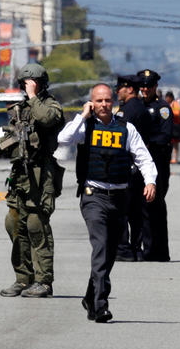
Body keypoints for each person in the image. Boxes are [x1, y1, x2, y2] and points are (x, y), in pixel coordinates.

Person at [57, 83, 157, 323]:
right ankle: (102, 305)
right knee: (101, 247)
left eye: (107, 101)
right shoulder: (85, 127)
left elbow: (143, 157)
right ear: (92, 102)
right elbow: (64, 138)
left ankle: (90, 297)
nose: (104, 105)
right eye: (99, 101)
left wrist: (150, 182)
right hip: (94, 196)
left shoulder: (126, 129)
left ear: (114, 102)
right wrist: (83, 114)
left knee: (110, 252)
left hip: (120, 198)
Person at [0, 63, 63, 299]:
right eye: (24, 84)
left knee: (36, 226)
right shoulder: (20, 109)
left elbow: (47, 119)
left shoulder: (50, 105)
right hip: (20, 175)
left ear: (42, 83)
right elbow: (12, 139)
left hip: (41, 176)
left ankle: (44, 281)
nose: (27, 87)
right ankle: (23, 278)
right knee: (15, 225)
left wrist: (33, 97)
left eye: (32, 83)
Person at [113, 74, 151, 262]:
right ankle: (136, 249)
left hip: (126, 166)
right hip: (139, 167)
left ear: (129, 89)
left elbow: (120, 138)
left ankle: (123, 248)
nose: (116, 92)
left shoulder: (125, 111)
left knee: (121, 209)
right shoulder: (143, 109)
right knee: (136, 211)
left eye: (119, 88)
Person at [138, 69, 173, 262]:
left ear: (156, 86)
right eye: (142, 85)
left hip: (157, 161)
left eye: (149, 86)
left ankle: (159, 251)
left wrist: (147, 143)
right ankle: (143, 247)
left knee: (156, 205)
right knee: (139, 206)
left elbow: (166, 136)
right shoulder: (135, 106)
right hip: (139, 164)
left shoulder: (162, 108)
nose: (145, 89)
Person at [167, 91, 180, 164]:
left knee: (175, 143)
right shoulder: (166, 104)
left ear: (171, 97)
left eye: (168, 97)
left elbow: (178, 113)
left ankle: (175, 157)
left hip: (176, 125)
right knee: (168, 142)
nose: (167, 99)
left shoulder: (175, 104)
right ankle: (168, 157)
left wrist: (170, 112)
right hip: (169, 125)